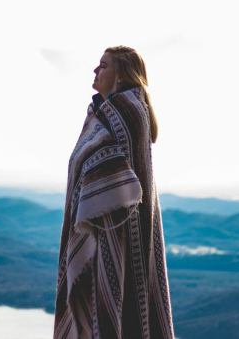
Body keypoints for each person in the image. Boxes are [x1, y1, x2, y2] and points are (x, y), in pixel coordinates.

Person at [54, 46, 175, 339]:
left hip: (116, 233)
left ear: (120, 75)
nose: (96, 71)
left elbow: (117, 174)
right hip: (101, 230)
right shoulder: (101, 114)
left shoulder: (128, 113)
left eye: (103, 66)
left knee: (119, 311)